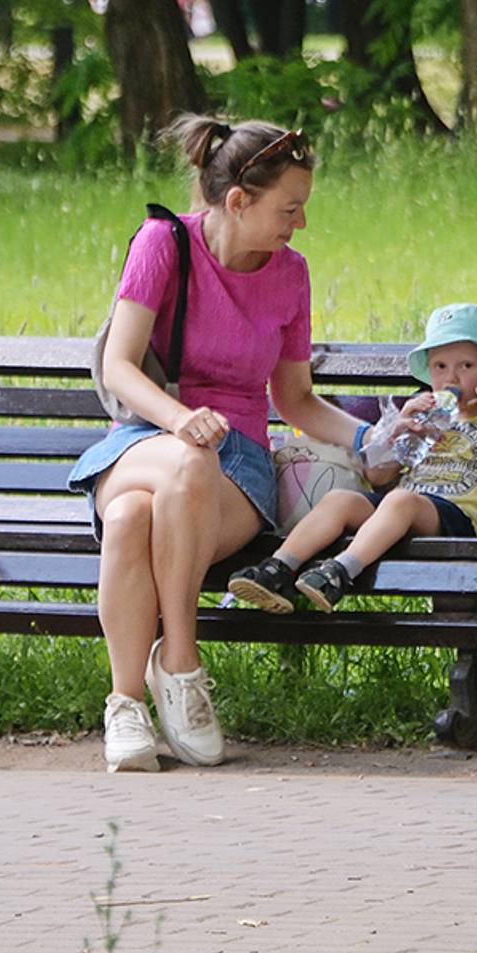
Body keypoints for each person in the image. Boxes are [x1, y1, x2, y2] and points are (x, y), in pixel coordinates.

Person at [68, 116, 369, 774]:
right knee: (181, 462)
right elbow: (119, 365)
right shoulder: (162, 243)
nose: (300, 224)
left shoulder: (290, 275)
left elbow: (292, 400)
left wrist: (371, 438)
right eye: (290, 209)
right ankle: (177, 665)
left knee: (130, 517)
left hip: (237, 468)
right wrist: (179, 419)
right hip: (145, 438)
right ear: (239, 200)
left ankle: (132, 695)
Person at [228, 303, 477, 613]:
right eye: (440, 367)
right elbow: (378, 477)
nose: (451, 378)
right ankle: (278, 568)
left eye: (466, 366)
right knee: (341, 499)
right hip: (396, 510)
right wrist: (397, 434)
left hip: (454, 518)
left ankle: (339, 572)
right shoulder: (426, 416)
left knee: (401, 500)